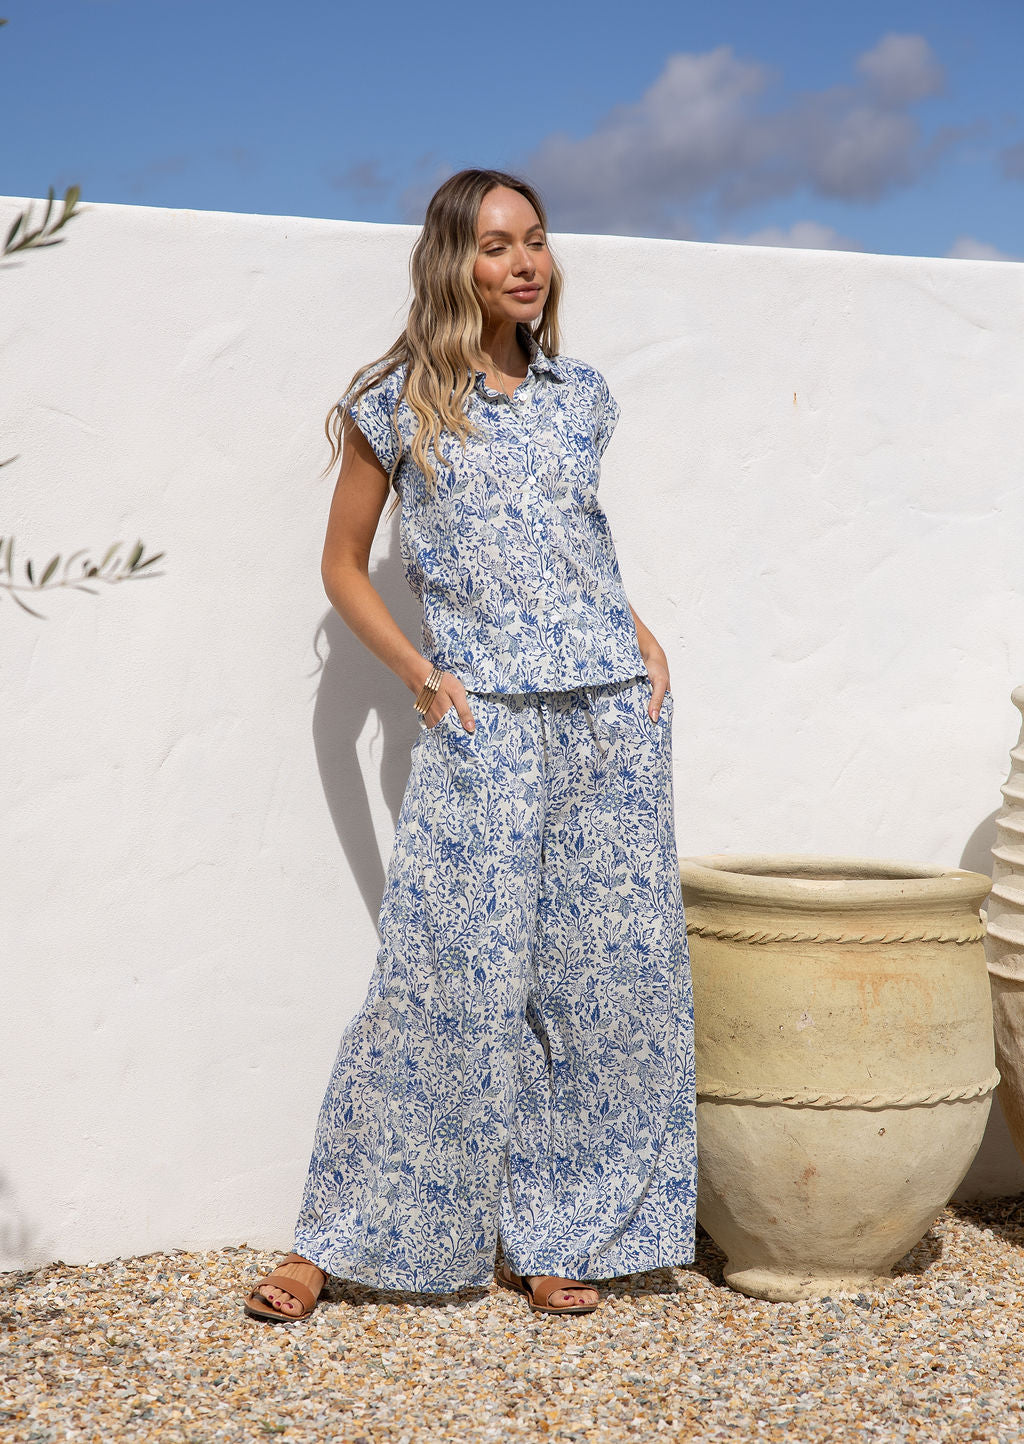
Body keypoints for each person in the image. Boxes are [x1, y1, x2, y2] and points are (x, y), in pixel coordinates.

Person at [243, 168, 696, 1323]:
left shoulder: (580, 395)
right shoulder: (397, 403)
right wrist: (420, 676)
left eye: (535, 241)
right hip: (482, 714)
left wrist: (638, 638)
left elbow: (574, 546)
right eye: (497, 245)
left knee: (603, 984)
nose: (524, 263)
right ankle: (335, 1238)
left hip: (607, 711)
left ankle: (560, 1233)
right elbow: (344, 564)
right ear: (455, 261)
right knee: (441, 979)